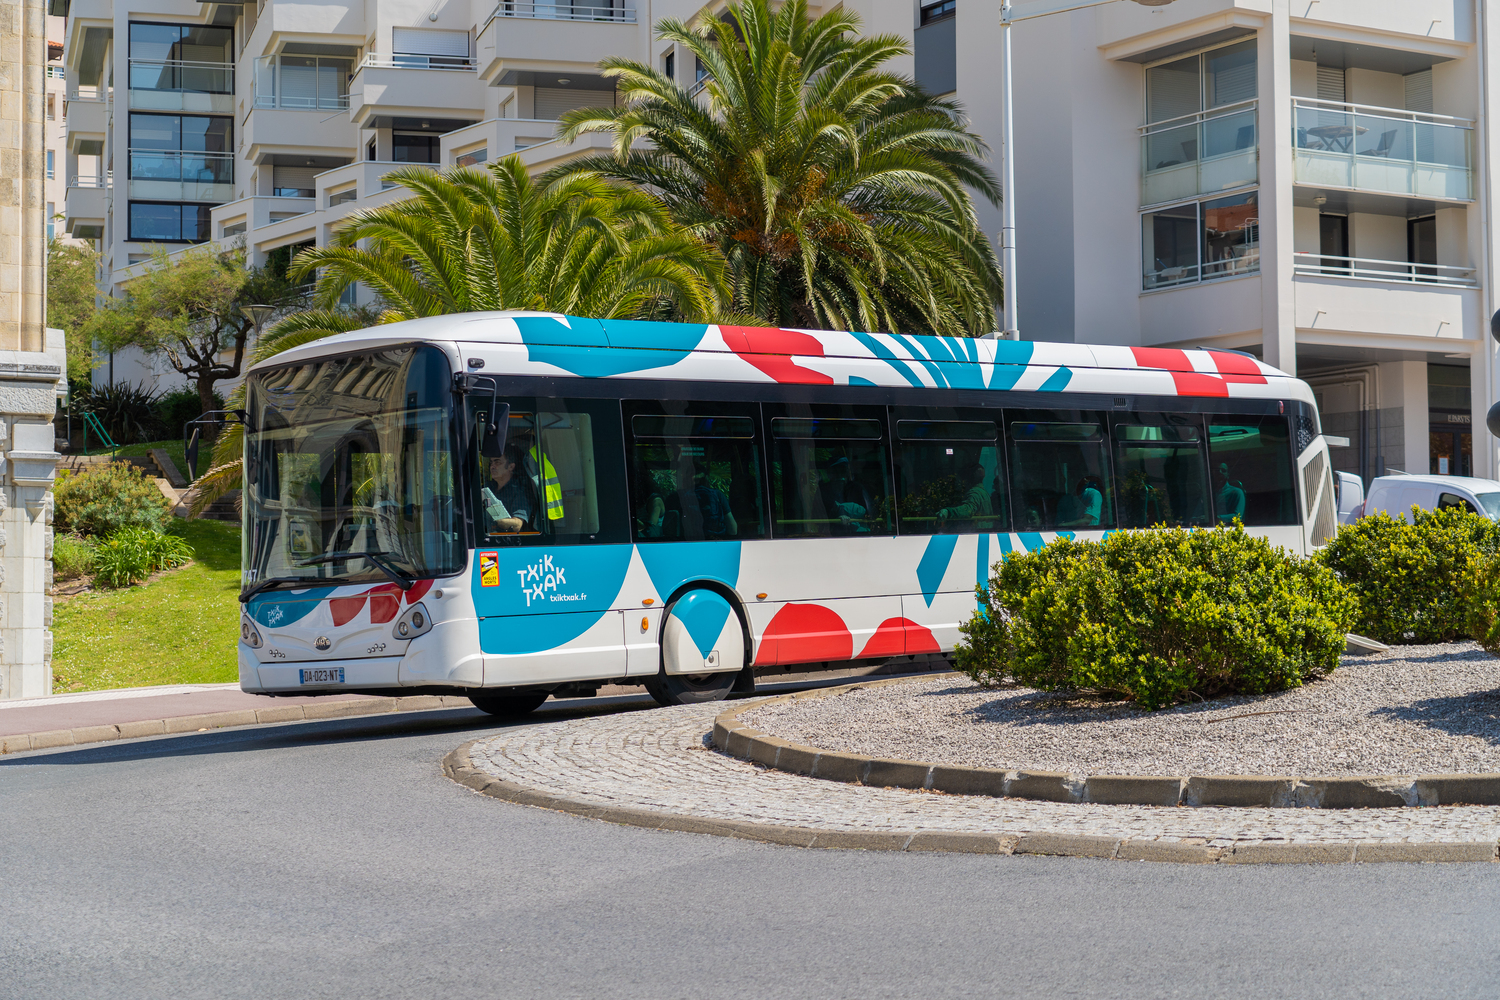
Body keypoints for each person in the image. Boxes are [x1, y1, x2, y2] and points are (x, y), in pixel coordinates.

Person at [482, 443, 532, 533]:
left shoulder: (519, 491)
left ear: (511, 467)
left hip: (505, 542)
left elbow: (517, 525)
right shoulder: (488, 487)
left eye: (497, 462)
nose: (492, 466)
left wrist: (498, 520)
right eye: (491, 463)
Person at [938, 464, 993, 532]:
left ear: (969, 477)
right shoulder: (984, 493)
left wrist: (948, 512)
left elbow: (967, 510)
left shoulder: (974, 493)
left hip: (974, 533)